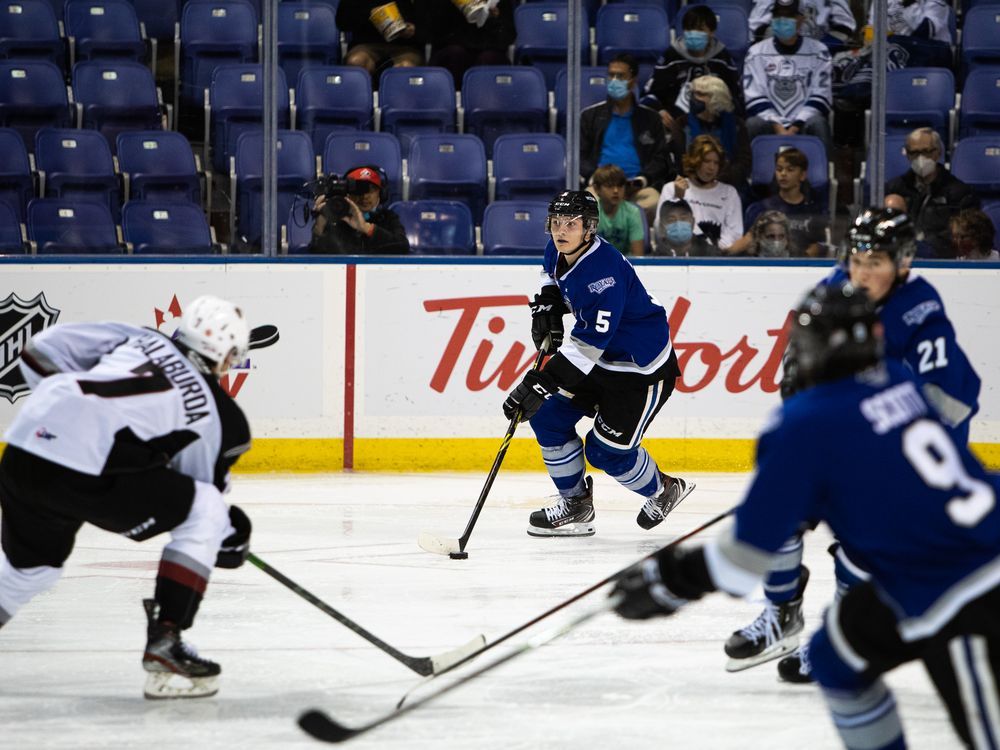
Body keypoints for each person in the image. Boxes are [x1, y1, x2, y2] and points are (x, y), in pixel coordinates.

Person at [612, 280, 1000, 750]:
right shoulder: (899, 378)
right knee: (834, 655)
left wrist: (671, 579)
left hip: (967, 590)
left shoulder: (804, 423)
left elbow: (741, 563)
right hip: (942, 558)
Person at [725, 208, 982, 682]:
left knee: (859, 550)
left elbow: (945, 408)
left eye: (877, 262)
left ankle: (839, 636)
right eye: (857, 258)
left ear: (903, 264)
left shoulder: (921, 313)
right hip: (852, 441)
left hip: (912, 460)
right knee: (783, 514)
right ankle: (781, 615)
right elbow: (800, 366)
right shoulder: (837, 286)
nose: (862, 272)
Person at [0, 296, 254, 699]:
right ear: (226, 355)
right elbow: (202, 500)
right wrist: (231, 534)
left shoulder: (139, 337)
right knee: (206, 509)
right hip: (90, 470)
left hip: (25, 449)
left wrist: (71, 418)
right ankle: (166, 638)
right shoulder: (224, 418)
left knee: (30, 571)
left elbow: (38, 352)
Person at [502, 190, 694, 537]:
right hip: (600, 360)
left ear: (589, 229)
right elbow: (549, 270)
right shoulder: (561, 247)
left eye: (571, 224)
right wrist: (548, 300)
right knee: (546, 417)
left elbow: (586, 348)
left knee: (606, 454)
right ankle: (576, 504)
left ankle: (665, 489)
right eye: (556, 222)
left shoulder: (603, 275)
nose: (561, 230)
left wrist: (539, 381)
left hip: (639, 370)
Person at [580, 54, 673, 223]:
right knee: (589, 204)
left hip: (636, 188)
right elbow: (579, 156)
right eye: (611, 75)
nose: (614, 80)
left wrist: (641, 180)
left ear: (633, 80)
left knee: (654, 201)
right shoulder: (590, 116)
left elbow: (661, 158)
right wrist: (596, 179)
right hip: (600, 187)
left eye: (620, 76)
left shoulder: (650, 118)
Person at [743, 0, 834, 155]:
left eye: (789, 16)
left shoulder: (820, 51)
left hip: (804, 124)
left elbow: (821, 95)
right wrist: (777, 125)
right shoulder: (755, 52)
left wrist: (796, 125)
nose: (782, 21)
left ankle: (819, 176)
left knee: (818, 123)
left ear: (801, 18)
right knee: (753, 124)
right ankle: (758, 175)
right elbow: (754, 96)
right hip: (770, 125)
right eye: (778, 16)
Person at [886, 128, 980, 259]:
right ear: (907, 155)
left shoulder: (960, 192)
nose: (921, 158)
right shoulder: (894, 188)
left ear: (938, 153)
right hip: (902, 258)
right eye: (914, 153)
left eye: (926, 151)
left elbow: (964, 233)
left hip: (943, 261)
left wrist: (924, 248)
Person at [642, 5, 741, 129]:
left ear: (712, 31)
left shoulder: (722, 56)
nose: (694, 34)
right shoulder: (671, 55)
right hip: (676, 118)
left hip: (715, 118)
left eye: (700, 29)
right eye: (689, 29)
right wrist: (660, 111)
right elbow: (652, 92)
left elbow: (734, 93)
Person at [733, 147, 828, 256]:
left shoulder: (813, 210)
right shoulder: (760, 208)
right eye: (779, 169)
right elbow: (747, 242)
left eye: (790, 169)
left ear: (802, 175)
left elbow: (817, 247)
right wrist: (724, 253)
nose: (783, 173)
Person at [656, 134, 744, 252]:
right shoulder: (671, 189)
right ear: (694, 161)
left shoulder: (729, 193)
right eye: (706, 161)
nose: (711, 167)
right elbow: (660, 229)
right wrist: (677, 198)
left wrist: (710, 251)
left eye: (716, 163)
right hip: (679, 253)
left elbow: (735, 233)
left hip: (716, 257)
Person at [668, 75, 752, 190]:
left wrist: (718, 180)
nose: (694, 98)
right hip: (692, 184)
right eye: (693, 93)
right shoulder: (682, 124)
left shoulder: (736, 125)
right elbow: (679, 162)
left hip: (729, 184)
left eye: (700, 94)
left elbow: (744, 162)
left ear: (716, 99)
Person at [309, 166, 409, 255]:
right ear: (347, 193)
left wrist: (367, 228)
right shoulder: (336, 219)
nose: (365, 196)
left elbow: (403, 248)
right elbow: (316, 256)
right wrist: (320, 225)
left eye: (371, 189)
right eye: (358, 190)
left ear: (381, 194)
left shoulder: (388, 218)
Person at [428, 0, 515, 88]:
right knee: (455, 54)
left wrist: (494, 18)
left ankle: (484, 99)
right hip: (453, 47)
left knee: (488, 58)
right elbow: (433, 32)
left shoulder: (499, 3)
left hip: (489, 49)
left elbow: (507, 37)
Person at [336, 0, 427, 77]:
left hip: (407, 47)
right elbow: (342, 22)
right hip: (366, 44)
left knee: (406, 66)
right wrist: (368, 13)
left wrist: (414, 30)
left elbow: (431, 24)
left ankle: (400, 98)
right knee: (356, 61)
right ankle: (363, 96)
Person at [591, 164, 645, 256]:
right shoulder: (590, 214)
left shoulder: (633, 212)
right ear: (597, 189)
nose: (616, 190)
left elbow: (638, 256)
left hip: (625, 265)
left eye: (620, 186)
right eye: (610, 186)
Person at [749, 0, 856, 45]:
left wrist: (822, 49)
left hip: (819, 51)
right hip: (775, 53)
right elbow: (757, 28)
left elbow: (845, 27)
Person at [652, 198, 718, 256]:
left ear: (693, 222)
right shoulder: (653, 260)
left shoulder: (711, 254)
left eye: (683, 218)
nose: (678, 224)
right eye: (671, 220)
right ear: (662, 226)